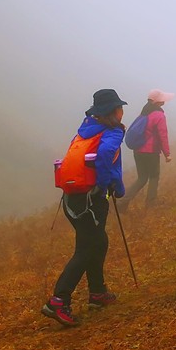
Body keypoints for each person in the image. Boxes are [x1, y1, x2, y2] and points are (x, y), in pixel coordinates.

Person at [42, 88, 127, 327]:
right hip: (91, 199)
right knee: (87, 247)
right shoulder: (111, 132)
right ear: (113, 111)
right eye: (120, 107)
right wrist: (111, 185)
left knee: (97, 242)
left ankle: (97, 293)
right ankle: (58, 300)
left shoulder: (84, 130)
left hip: (72, 198)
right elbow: (106, 155)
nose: (122, 111)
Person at [126, 89, 173, 206]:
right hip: (151, 152)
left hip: (138, 151)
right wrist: (167, 154)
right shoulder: (159, 115)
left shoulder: (144, 112)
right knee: (154, 176)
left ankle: (122, 202)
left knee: (141, 178)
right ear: (158, 102)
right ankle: (151, 203)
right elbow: (163, 135)